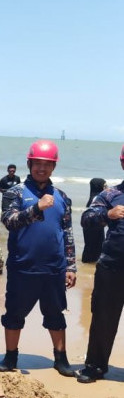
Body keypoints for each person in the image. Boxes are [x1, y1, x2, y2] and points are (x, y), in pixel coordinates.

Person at [0, 140, 76, 377]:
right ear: (29, 164)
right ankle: (11, 357)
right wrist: (36, 209)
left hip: (54, 268)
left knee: (55, 314)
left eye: (47, 164)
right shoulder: (15, 192)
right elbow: (9, 221)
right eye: (37, 164)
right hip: (23, 266)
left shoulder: (61, 196)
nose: (42, 168)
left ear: (53, 167)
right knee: (14, 314)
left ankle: (61, 358)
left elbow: (67, 232)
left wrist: (71, 265)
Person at [77, 148, 124, 383]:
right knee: (103, 318)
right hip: (112, 268)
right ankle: (95, 366)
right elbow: (86, 218)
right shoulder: (110, 194)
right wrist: (109, 214)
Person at [81, 178, 107, 263]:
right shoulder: (97, 198)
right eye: (104, 185)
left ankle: (87, 263)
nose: (106, 187)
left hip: (91, 225)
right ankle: (89, 266)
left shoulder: (93, 197)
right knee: (95, 245)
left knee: (90, 245)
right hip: (94, 226)